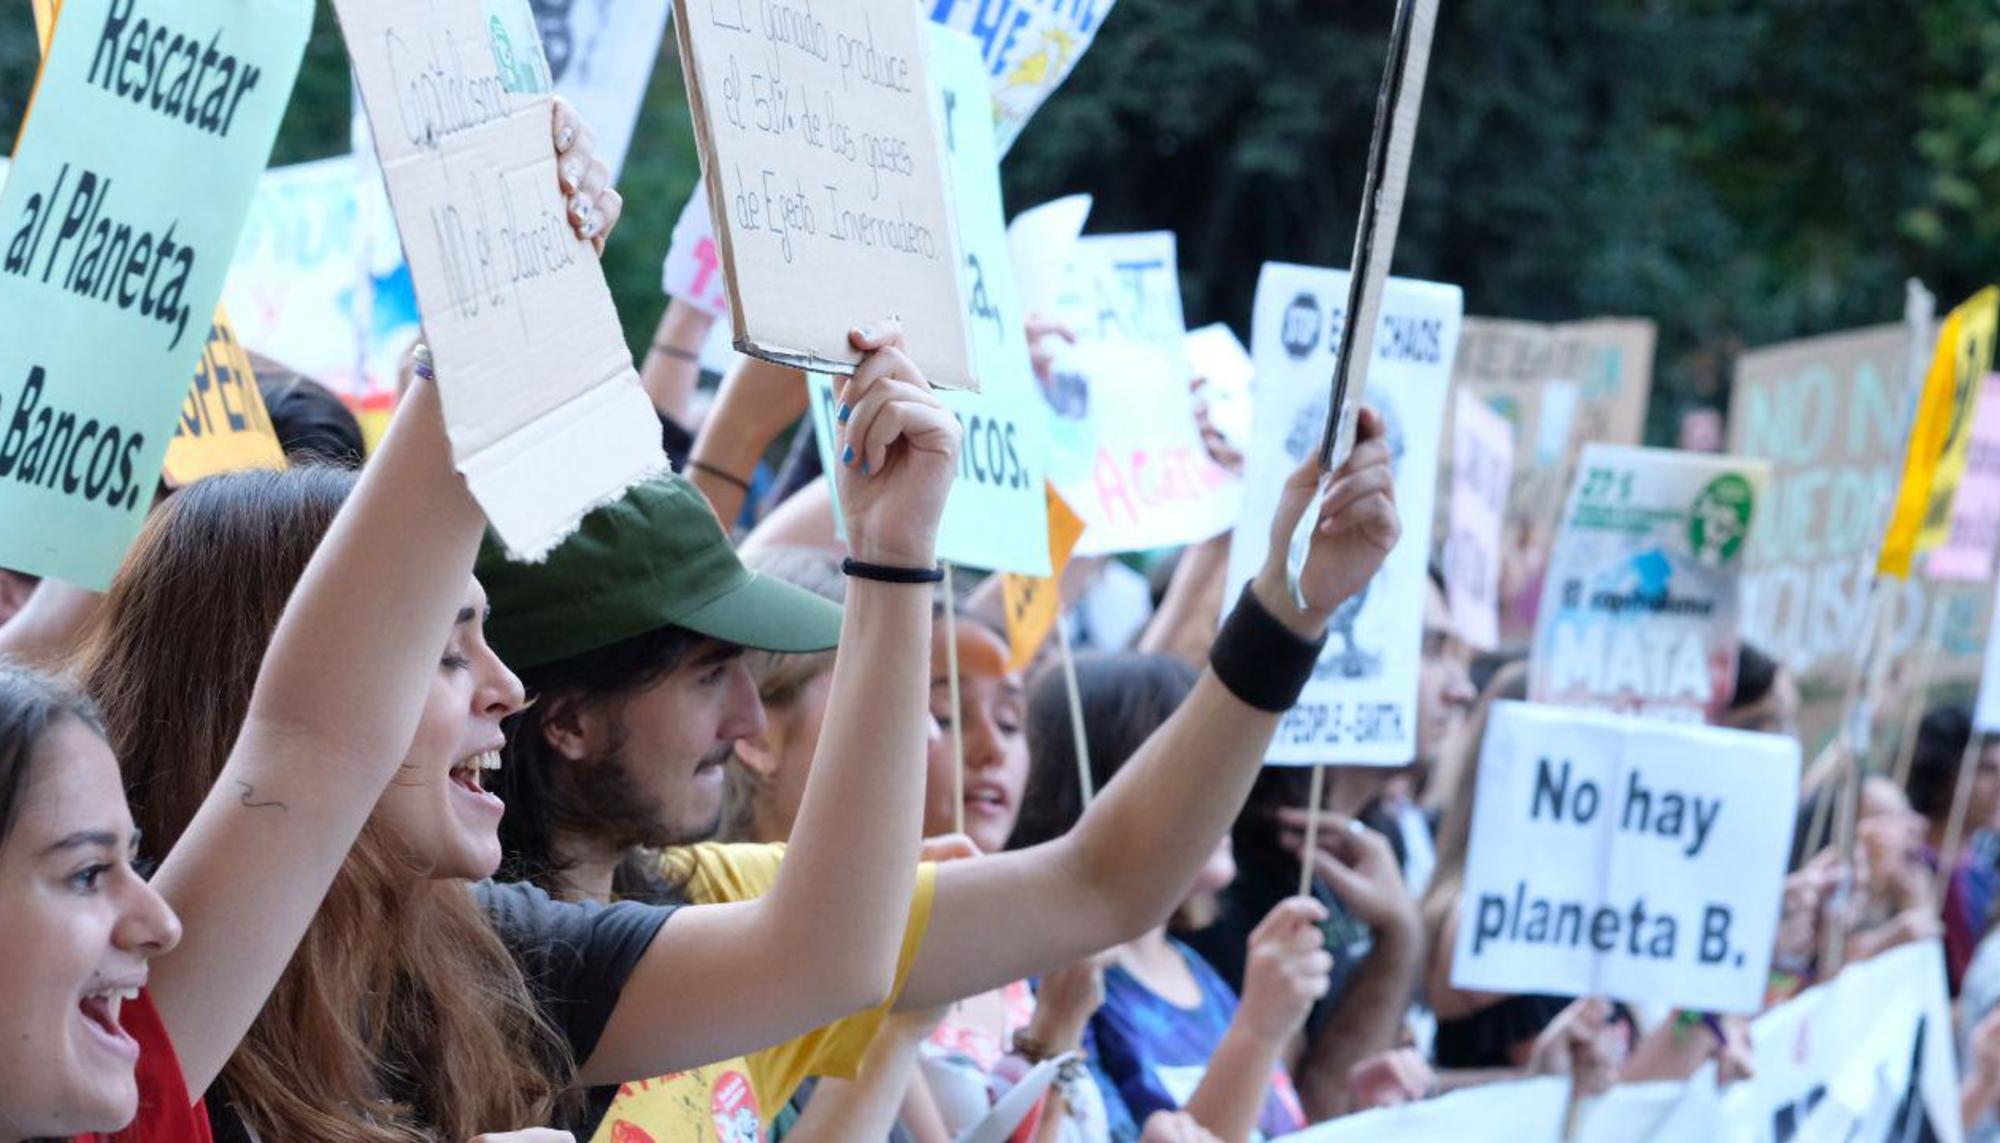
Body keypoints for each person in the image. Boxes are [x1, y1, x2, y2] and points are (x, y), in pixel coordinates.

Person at [484, 413, 1404, 1139]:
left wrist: (1288, 610)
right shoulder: (440, 970)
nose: (746, 718)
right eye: (704, 677)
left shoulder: (712, 899)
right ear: (565, 719)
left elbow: (1101, 884)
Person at [1183, 565, 1474, 1119]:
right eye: (1432, 652)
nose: (1462, 690)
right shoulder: (1230, 863)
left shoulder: (1378, 837)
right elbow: (1312, 1114)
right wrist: (1399, 940)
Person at [1009, 652, 1328, 1141]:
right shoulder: (1058, 984)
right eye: (1194, 773)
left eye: (1227, 771)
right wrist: (1257, 1030)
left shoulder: (1195, 970)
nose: (1225, 797)